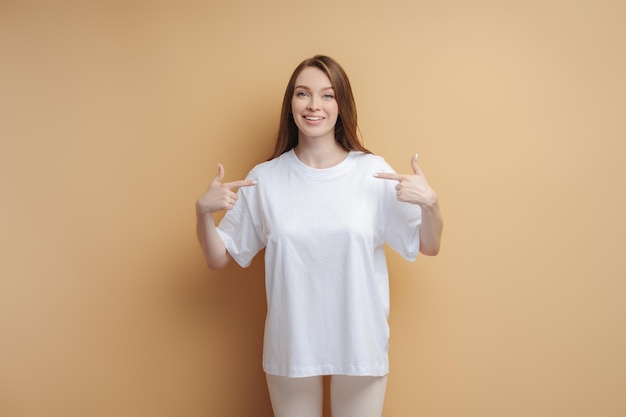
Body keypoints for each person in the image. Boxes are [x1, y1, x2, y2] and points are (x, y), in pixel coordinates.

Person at [196, 55, 443, 417]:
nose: (314, 105)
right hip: (292, 345)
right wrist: (202, 213)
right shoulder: (266, 178)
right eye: (303, 94)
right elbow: (218, 257)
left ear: (341, 106)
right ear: (291, 104)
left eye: (327, 95)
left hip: (360, 343)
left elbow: (429, 245)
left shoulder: (372, 173)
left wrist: (431, 204)